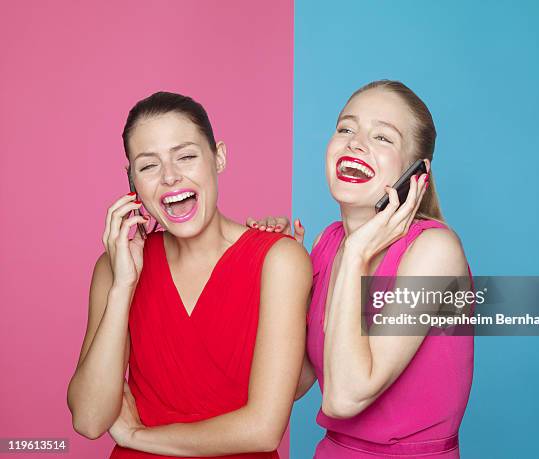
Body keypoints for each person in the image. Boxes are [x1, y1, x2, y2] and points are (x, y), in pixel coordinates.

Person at [67, 91, 312, 458]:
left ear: (219, 157)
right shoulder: (115, 268)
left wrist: (136, 437)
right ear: (131, 179)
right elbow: (89, 419)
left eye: (186, 156)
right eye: (148, 165)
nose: (169, 176)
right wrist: (122, 287)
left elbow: (263, 430)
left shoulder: (279, 260)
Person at [249, 80, 474, 458]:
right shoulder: (327, 243)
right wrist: (280, 280)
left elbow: (344, 398)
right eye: (346, 128)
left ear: (416, 172)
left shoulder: (435, 250)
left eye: (383, 137)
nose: (355, 143)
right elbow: (294, 382)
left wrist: (355, 253)